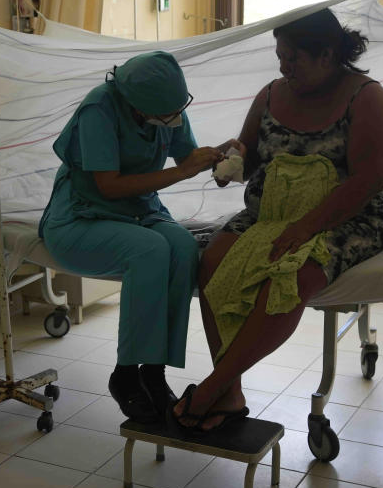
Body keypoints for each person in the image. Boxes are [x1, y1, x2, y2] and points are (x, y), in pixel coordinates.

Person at [172, 9, 383, 432]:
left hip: (343, 218)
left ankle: (210, 390)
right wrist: (231, 160)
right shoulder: (272, 94)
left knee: (289, 279)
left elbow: (369, 181)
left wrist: (306, 227)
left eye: (293, 58)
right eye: (280, 56)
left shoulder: (367, 99)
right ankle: (231, 390)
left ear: (327, 54)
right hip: (271, 212)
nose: (283, 66)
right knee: (212, 263)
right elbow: (250, 157)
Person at [39, 51, 237, 422]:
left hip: (139, 210)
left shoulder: (165, 105)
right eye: (168, 113)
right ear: (135, 104)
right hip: (82, 214)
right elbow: (109, 186)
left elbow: (186, 157)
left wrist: (217, 156)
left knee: (180, 246)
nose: (175, 118)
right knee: (149, 250)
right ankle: (126, 375)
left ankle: (154, 372)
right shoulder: (98, 109)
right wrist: (184, 174)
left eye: (179, 108)